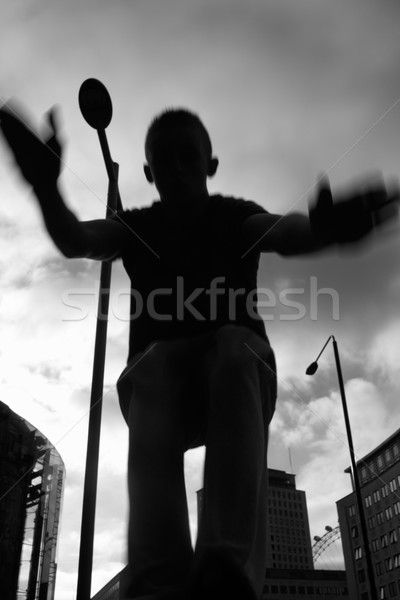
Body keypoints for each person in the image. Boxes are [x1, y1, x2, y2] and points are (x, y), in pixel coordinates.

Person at [0, 104, 397, 600]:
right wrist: (44, 188)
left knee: (233, 345)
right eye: (165, 161)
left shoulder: (233, 217)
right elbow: (77, 240)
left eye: (189, 157)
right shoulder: (136, 227)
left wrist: (326, 229)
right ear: (149, 173)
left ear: (210, 164)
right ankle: (159, 576)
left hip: (237, 380)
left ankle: (223, 570)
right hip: (161, 392)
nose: (179, 169)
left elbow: (285, 233)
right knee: (154, 366)